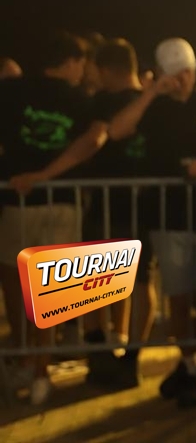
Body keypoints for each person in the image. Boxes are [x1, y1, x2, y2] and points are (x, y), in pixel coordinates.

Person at [9, 37, 155, 390]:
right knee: (132, 280)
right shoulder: (138, 101)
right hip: (136, 204)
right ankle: (122, 356)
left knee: (91, 279)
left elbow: (94, 139)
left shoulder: (100, 101)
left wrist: (43, 175)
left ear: (104, 69)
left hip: (106, 205)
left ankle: (98, 353)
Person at [107, 37, 196, 408]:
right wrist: (152, 91)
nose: (181, 79)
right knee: (179, 300)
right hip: (168, 221)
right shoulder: (154, 106)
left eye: (186, 72)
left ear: (195, 71)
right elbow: (116, 131)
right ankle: (189, 365)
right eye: (174, 73)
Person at [0, 29, 90, 405]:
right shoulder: (80, 100)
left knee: (14, 285)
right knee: (50, 291)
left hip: (17, 199)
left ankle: (27, 360)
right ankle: (39, 370)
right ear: (69, 62)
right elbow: (91, 142)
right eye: (81, 63)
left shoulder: (12, 91)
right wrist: (47, 175)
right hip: (61, 201)